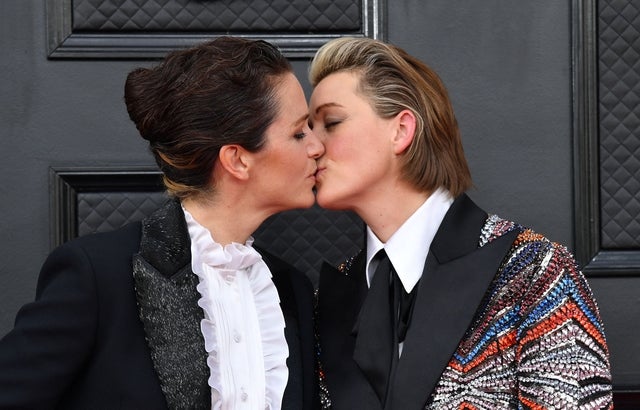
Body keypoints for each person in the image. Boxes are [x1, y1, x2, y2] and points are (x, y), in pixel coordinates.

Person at [0, 36, 323, 409]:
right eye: (299, 133)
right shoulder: (98, 276)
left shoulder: (290, 290)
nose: (317, 147)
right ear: (237, 159)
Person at [309, 37, 613, 409]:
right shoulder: (328, 296)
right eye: (307, 129)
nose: (312, 146)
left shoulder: (534, 272)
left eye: (331, 122)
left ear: (401, 130)